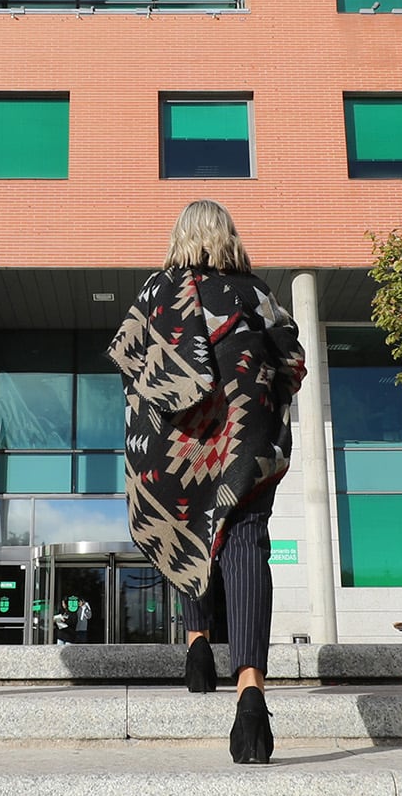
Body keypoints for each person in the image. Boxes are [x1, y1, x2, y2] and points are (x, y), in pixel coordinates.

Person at [109, 199, 307, 765]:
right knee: (245, 540)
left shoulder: (155, 293)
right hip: (245, 438)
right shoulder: (255, 293)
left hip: (178, 445)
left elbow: (131, 360)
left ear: (179, 237)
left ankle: (197, 645)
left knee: (185, 525)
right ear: (228, 237)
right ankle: (250, 693)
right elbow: (292, 362)